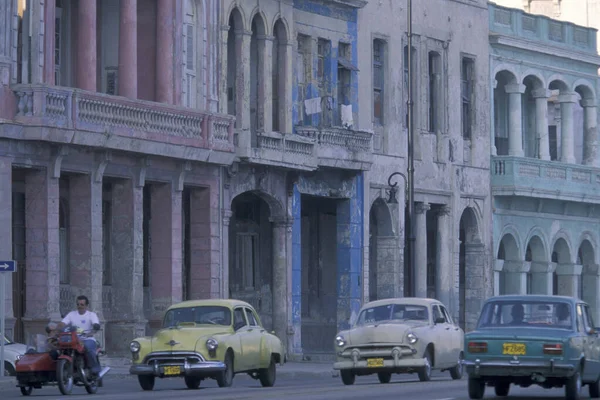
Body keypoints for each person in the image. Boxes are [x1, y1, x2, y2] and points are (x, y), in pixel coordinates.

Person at [55, 295, 101, 375]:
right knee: (60, 347)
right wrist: (59, 327)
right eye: (78, 304)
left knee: (87, 347)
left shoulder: (91, 315)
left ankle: (94, 367)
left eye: (82, 304)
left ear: (86, 305)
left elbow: (95, 324)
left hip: (87, 339)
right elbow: (63, 323)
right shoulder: (71, 314)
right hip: (73, 339)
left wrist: (93, 329)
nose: (79, 306)